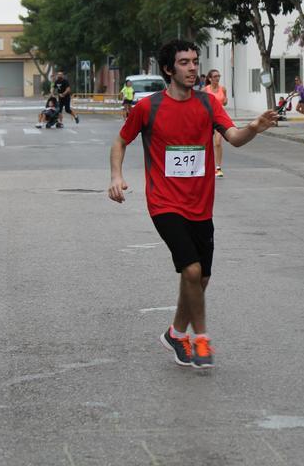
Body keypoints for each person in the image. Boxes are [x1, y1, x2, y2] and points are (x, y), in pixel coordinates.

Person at [108, 39, 278, 369]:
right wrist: (116, 176)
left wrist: (255, 128)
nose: (192, 68)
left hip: (201, 204)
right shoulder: (148, 107)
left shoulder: (208, 104)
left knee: (199, 280)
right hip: (164, 202)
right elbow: (120, 140)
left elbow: (234, 138)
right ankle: (201, 339)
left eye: (195, 61)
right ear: (168, 69)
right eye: (184, 62)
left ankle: (175, 333)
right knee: (192, 269)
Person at [203, 69, 228, 177]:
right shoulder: (205, 90)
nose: (217, 78)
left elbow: (225, 102)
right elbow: (200, 104)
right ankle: (205, 166)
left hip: (219, 118)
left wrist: (224, 100)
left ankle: (218, 168)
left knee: (217, 143)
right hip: (207, 118)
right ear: (210, 78)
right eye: (215, 76)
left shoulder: (223, 89)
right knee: (205, 143)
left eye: (218, 76)